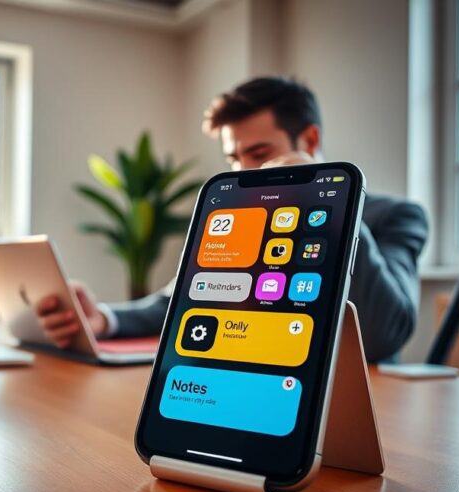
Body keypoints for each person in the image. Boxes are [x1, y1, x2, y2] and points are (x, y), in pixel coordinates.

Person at [35, 77, 428, 363]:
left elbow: (382, 337)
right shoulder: (239, 219)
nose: (246, 173)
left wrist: (337, 208)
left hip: (360, 399)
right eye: (234, 160)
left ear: (309, 141)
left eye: (259, 154)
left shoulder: (395, 216)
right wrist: (102, 319)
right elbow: (175, 302)